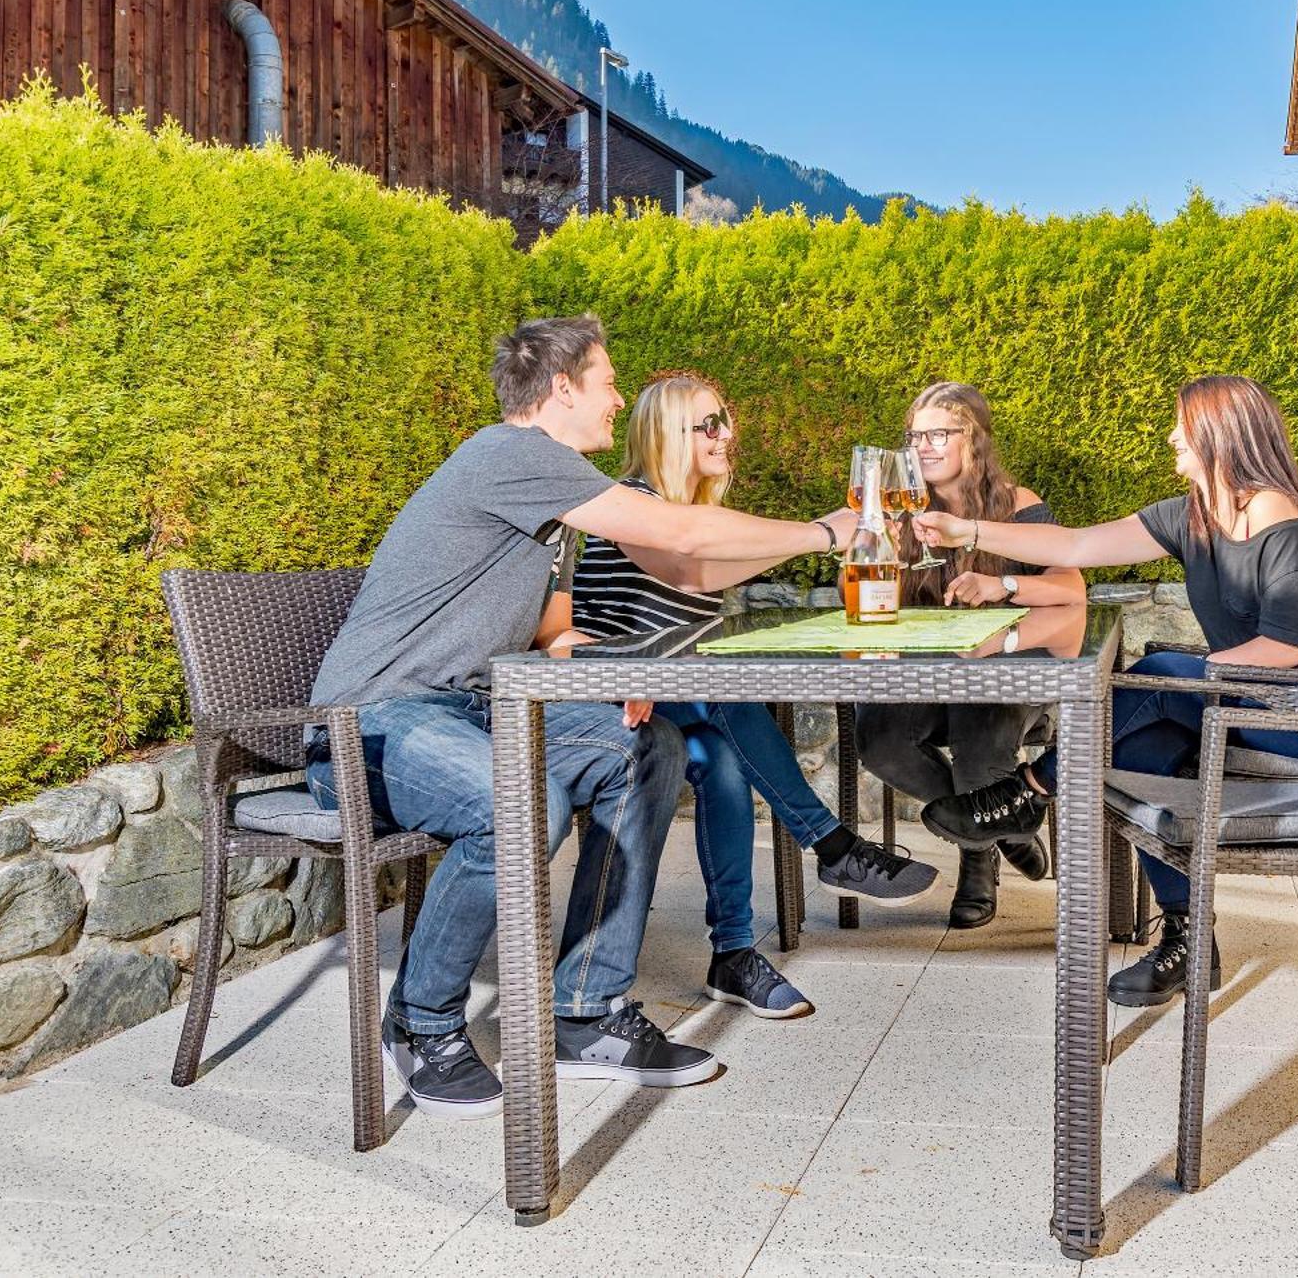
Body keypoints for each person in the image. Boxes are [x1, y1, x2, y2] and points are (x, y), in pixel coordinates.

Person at [305, 315, 870, 1120]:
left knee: (644, 749)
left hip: (469, 712)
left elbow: (551, 627)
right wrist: (825, 532)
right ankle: (422, 1020)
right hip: (370, 725)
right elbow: (677, 530)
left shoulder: (552, 492)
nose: (616, 402)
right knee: (515, 805)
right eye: (607, 383)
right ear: (562, 388)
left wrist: (614, 669)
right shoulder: (511, 454)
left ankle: (585, 1012)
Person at [909, 374, 1298, 1007]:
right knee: (1141, 745)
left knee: (1161, 672)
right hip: (1241, 703)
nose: (1172, 436)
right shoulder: (1195, 513)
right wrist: (965, 533)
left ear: (1221, 436)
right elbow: (1076, 545)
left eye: (1183, 427)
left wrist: (1195, 671)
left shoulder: (1279, 519)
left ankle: (1028, 791)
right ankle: (1188, 939)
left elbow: (1288, 648)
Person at [541, 371, 938, 1020]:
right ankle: (831, 848)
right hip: (601, 697)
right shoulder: (634, 502)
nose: (727, 434)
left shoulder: (691, 518)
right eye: (708, 424)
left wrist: (831, 541)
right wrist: (823, 531)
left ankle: (734, 955)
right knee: (719, 691)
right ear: (668, 434)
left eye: (726, 419)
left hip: (667, 697)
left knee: (724, 763)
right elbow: (689, 567)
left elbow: (710, 573)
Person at [850, 383, 1085, 928]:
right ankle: (1005, 828)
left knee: (981, 738)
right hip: (931, 671)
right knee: (880, 740)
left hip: (1006, 666)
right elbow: (872, 589)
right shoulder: (896, 507)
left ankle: (977, 855)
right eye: (916, 436)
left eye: (939, 434)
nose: (924, 446)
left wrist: (1002, 584)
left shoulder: (1015, 504)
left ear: (972, 437)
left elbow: (1070, 589)